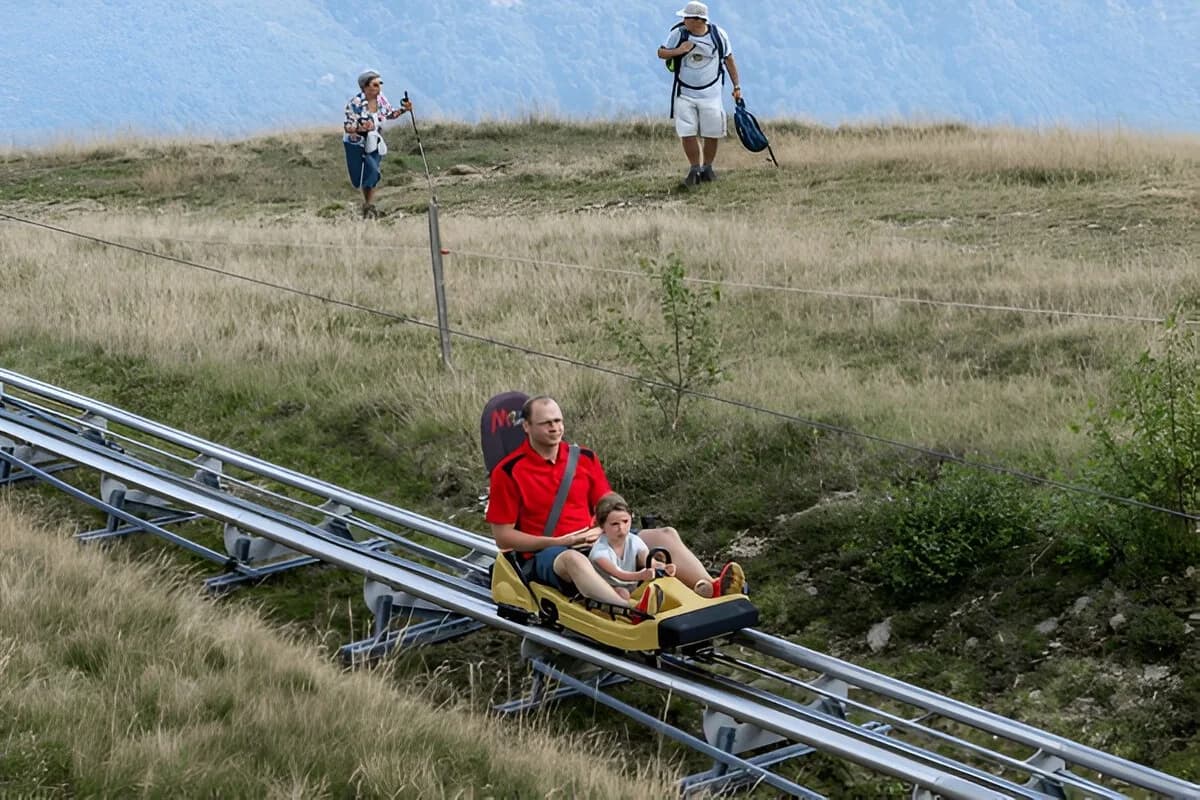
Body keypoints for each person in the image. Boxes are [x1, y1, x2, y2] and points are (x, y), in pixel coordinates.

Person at [486, 395, 744, 613]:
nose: (554, 428)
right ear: (527, 427)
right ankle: (631, 609)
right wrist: (558, 542)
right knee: (575, 560)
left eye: (558, 421)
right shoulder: (508, 472)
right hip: (549, 552)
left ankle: (709, 587)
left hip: (598, 535)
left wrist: (601, 530)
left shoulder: (583, 458)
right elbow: (504, 538)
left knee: (665, 535)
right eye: (545, 423)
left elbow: (607, 505)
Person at [656, 2, 742, 187]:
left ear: (697, 20)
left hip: (711, 92)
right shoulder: (678, 34)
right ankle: (694, 168)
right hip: (684, 92)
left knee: (713, 132)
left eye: (686, 17)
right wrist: (680, 50)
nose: (683, 20)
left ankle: (707, 168)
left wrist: (737, 86)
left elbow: (729, 60)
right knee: (686, 131)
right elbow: (662, 52)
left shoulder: (718, 35)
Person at [342, 69, 412, 219]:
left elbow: (389, 114)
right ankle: (368, 204)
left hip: (375, 140)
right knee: (369, 171)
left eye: (380, 83)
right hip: (359, 142)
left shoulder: (381, 100)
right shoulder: (355, 103)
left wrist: (403, 110)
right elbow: (348, 126)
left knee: (372, 173)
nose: (379, 87)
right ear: (365, 87)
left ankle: (368, 204)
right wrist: (360, 128)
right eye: (375, 84)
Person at [589, 492, 676, 601]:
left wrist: (664, 567)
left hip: (632, 586)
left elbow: (649, 562)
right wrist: (640, 575)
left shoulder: (634, 540)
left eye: (625, 521)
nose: (621, 528)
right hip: (608, 587)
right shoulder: (600, 552)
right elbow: (619, 574)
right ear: (602, 525)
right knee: (623, 593)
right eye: (614, 524)